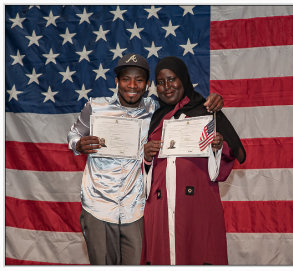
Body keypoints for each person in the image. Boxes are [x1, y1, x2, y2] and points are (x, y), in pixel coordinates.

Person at [67, 53, 224, 265]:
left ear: (147, 84)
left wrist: (212, 100)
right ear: (116, 82)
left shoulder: (156, 109)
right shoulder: (95, 107)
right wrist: (77, 144)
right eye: (125, 79)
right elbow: (74, 134)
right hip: (98, 204)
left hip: (136, 208)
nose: (132, 85)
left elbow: (185, 102)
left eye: (139, 80)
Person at [141, 56, 246, 265]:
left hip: (197, 205)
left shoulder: (206, 111)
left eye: (172, 79)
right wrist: (146, 157)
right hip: (160, 209)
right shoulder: (156, 119)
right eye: (160, 82)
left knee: (198, 253)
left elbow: (234, 153)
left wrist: (218, 147)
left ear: (184, 79)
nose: (166, 87)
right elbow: (144, 175)